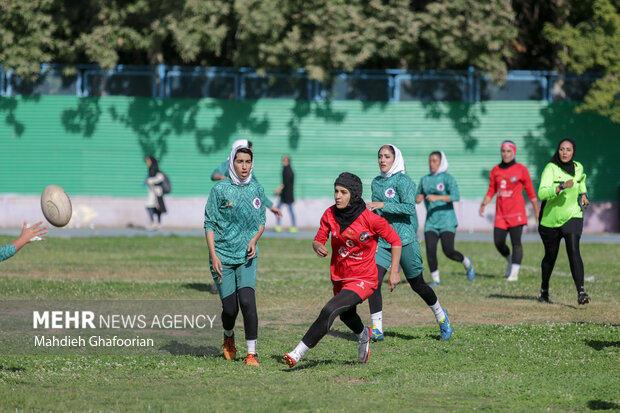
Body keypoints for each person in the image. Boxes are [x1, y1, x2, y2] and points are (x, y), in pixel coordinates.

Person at [283, 173, 402, 368]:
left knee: (330, 309)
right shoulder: (330, 214)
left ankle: (297, 353)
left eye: (343, 192)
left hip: (364, 278)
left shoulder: (370, 219)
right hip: (340, 277)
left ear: (354, 195)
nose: (337, 196)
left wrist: (394, 271)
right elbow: (318, 238)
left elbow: (395, 241)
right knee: (346, 315)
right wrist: (317, 246)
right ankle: (364, 335)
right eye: (336, 191)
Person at [367, 145, 453, 342]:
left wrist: (383, 205)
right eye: (379, 156)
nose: (382, 160)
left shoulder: (404, 181)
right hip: (383, 240)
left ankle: (441, 316)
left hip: (405, 239)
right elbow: (378, 214)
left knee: (418, 285)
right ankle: (377, 328)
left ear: (395, 158)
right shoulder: (376, 182)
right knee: (373, 281)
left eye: (387, 156)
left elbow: (408, 208)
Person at [204, 144, 267, 366]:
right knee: (230, 309)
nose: (244, 166)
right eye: (240, 161)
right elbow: (209, 223)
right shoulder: (220, 189)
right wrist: (213, 256)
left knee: (248, 302)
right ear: (232, 162)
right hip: (222, 256)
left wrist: (253, 240)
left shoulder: (257, 189)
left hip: (247, 258)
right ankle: (228, 336)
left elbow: (261, 222)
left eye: (248, 162)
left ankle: (252, 354)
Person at [537, 138, 590, 305]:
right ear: (557, 151)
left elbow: (580, 181)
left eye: (568, 149)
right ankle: (544, 290)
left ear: (573, 152)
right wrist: (559, 187)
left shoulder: (578, 167)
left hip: (572, 215)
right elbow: (542, 193)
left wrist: (583, 195)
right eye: (561, 149)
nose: (565, 152)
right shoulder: (550, 168)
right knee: (550, 257)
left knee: (573, 249)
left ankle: (581, 292)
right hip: (550, 220)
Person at [479, 141, 539, 281]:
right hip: (501, 214)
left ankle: (514, 274)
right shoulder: (495, 170)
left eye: (508, 151)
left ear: (514, 153)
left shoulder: (521, 169)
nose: (505, 154)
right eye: (503, 151)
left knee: (516, 242)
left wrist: (536, 209)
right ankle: (510, 259)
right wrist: (484, 203)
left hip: (516, 213)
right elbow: (492, 189)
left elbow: (530, 191)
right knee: (498, 242)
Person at [416, 151, 475, 285]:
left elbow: (456, 196)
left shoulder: (448, 179)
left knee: (448, 250)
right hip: (431, 222)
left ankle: (466, 262)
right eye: (430, 161)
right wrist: (418, 198)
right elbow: (418, 195)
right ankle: (436, 279)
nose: (432, 164)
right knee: (430, 250)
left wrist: (438, 197)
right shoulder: (424, 179)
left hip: (447, 222)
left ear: (441, 162)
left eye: (435, 161)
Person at [211, 139, 281, 218]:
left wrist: (271, 207)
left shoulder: (248, 170)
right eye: (249, 150)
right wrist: (223, 178)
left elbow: (257, 191)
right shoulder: (228, 165)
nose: (252, 153)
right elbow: (214, 175)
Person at [274, 155, 297, 233]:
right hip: (286, 194)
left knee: (283, 209)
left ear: (288, 161)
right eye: (283, 160)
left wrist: (278, 189)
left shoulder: (287, 170)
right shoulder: (290, 170)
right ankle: (291, 226)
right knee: (280, 209)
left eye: (285, 160)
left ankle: (290, 226)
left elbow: (285, 183)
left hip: (287, 195)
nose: (283, 162)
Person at [145, 155, 167, 230]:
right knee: (149, 207)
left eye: (148, 161)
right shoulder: (150, 170)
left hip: (157, 193)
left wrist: (150, 180)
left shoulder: (157, 171)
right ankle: (153, 222)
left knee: (158, 208)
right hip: (152, 192)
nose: (147, 162)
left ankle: (158, 223)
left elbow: (160, 178)